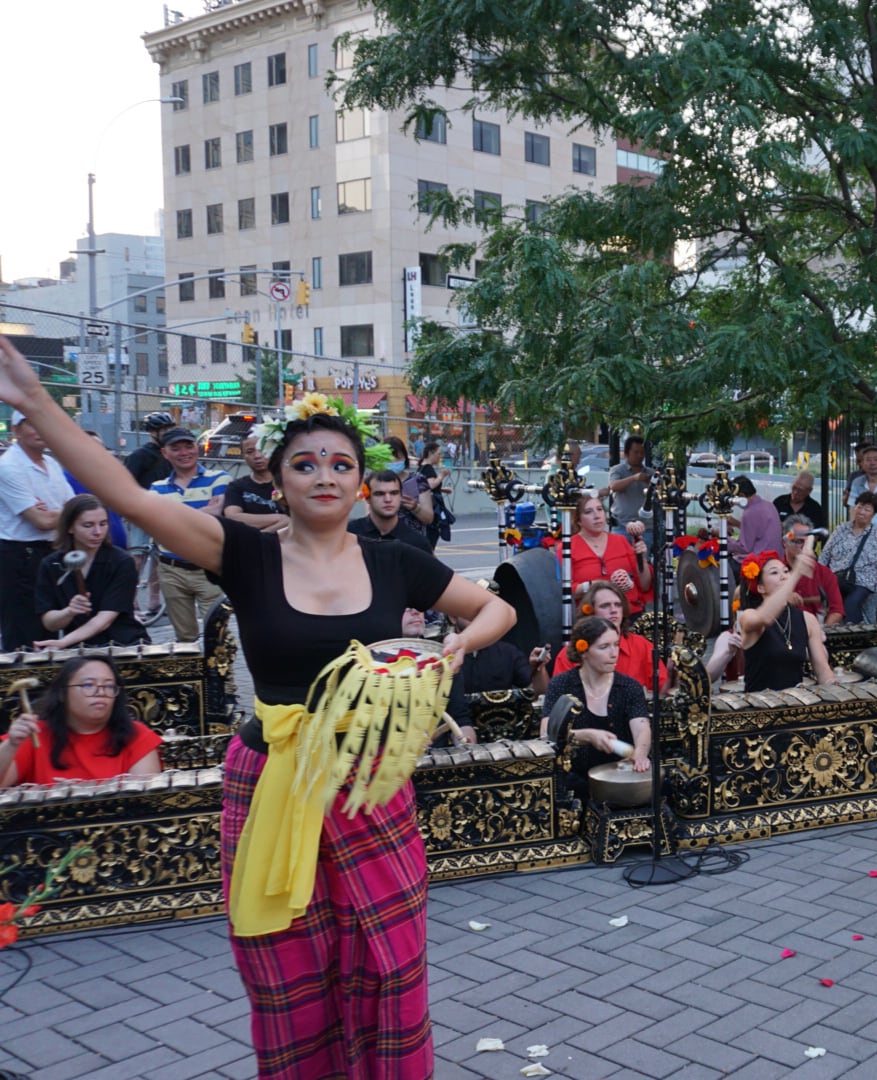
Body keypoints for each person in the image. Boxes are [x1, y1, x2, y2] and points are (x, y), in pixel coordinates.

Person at [0, 340, 515, 1080]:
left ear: (363, 480)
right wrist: (34, 401)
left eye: (341, 463)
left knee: (390, 966)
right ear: (277, 478)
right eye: (305, 463)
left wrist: (449, 649)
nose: (325, 476)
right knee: (289, 976)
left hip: (368, 782)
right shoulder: (243, 553)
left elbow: (494, 608)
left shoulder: (394, 562)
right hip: (272, 776)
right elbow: (128, 496)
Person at [0, 656, 163, 786]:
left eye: (108, 686)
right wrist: (11, 745)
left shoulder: (138, 736)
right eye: (88, 685)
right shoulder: (35, 734)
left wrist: (84, 793)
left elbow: (143, 801)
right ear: (63, 693)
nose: (100, 692)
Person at [541, 616, 651, 795]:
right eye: (604, 647)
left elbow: (641, 727)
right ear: (583, 650)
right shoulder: (561, 685)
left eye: (616, 644)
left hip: (620, 774)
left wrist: (640, 753)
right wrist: (587, 736)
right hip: (575, 778)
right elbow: (546, 734)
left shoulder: (629, 687)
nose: (614, 653)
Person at [0, 407, 76, 649]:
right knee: (25, 631)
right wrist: (63, 511)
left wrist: (55, 512)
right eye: (31, 424)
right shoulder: (8, 466)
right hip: (19, 557)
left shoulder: (51, 463)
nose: (40, 429)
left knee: (51, 626)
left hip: (52, 551)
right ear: (16, 430)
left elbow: (76, 509)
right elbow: (41, 521)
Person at [33, 494, 147, 649]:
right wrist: (69, 612)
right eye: (88, 525)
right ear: (70, 527)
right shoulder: (51, 564)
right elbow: (49, 623)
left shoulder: (122, 561)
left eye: (103, 524)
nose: (98, 532)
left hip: (124, 644)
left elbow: (104, 620)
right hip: (77, 647)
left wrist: (62, 642)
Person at [149, 426, 229, 645]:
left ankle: (224, 681)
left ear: (197, 447)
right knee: (185, 639)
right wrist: (203, 513)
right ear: (165, 453)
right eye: (176, 448)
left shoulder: (219, 479)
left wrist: (174, 516)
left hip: (209, 569)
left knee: (218, 637)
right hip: (171, 570)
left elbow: (217, 514)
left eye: (189, 446)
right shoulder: (156, 488)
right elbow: (160, 525)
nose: (184, 452)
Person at [737, 546, 839, 691]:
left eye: (786, 571)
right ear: (760, 588)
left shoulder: (808, 619)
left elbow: (822, 671)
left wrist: (834, 688)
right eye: (774, 572)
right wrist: (796, 573)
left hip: (793, 706)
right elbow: (765, 617)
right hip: (759, 708)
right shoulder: (749, 615)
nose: (784, 576)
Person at [551, 580, 670, 690]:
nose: (613, 610)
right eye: (605, 606)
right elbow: (559, 697)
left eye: (618, 605)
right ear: (590, 611)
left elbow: (663, 693)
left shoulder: (643, 647)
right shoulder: (572, 651)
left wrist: (672, 675)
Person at [122, 412, 175, 623]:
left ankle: (154, 601)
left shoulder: (169, 454)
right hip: (143, 513)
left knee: (159, 559)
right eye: (165, 430)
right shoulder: (139, 456)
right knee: (138, 557)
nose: (169, 433)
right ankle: (131, 602)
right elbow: (127, 483)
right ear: (153, 433)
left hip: (165, 512)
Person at [570, 490, 652, 614]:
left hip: (628, 612)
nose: (597, 516)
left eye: (600, 509)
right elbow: (565, 591)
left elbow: (645, 586)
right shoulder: (568, 547)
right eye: (588, 512)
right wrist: (596, 585)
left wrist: (641, 558)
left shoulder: (621, 541)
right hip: (592, 617)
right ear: (578, 520)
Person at [823, 491, 877, 620]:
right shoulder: (841, 529)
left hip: (863, 581)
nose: (861, 512)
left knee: (851, 604)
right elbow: (825, 554)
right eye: (859, 507)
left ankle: (855, 636)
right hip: (838, 577)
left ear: (874, 514)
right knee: (832, 603)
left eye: (867, 509)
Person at [778, 515, 846, 624]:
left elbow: (836, 611)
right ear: (785, 542)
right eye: (799, 541)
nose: (805, 547)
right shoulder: (772, 572)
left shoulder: (825, 574)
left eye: (808, 542)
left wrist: (821, 632)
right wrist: (782, 598)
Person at [348, 470, 435, 554]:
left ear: (401, 496)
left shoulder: (417, 543)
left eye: (394, 493)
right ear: (368, 498)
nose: (388, 499)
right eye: (379, 494)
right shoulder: (349, 535)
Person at [224, 432, 290, 533]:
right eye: (250, 452)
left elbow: (296, 519)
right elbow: (232, 517)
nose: (257, 456)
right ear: (243, 456)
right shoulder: (237, 486)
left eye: (262, 449)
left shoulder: (288, 482)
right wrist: (279, 518)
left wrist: (260, 537)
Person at [605, 434, 653, 539]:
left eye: (642, 453)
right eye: (636, 452)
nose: (640, 456)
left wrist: (651, 483)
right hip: (622, 526)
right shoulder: (617, 470)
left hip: (646, 528)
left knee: (644, 554)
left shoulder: (650, 473)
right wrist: (633, 478)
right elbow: (614, 486)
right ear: (627, 453)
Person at [733, 476, 783, 556]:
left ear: (741, 495)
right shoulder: (769, 505)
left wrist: (724, 541)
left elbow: (745, 548)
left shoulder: (749, 512)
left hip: (760, 560)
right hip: (776, 556)